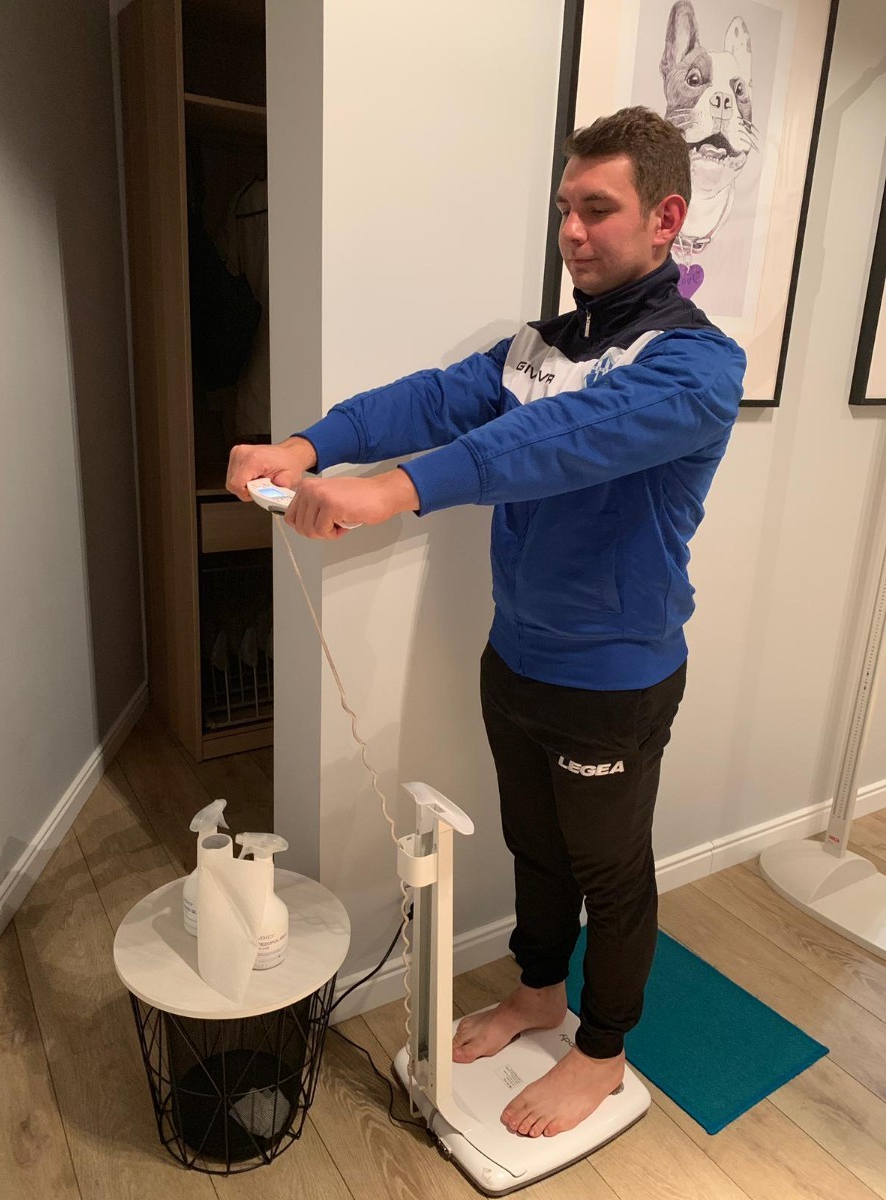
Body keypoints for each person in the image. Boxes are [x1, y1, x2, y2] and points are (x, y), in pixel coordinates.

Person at [227, 106, 746, 1140]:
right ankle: (540, 995)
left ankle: (603, 1051)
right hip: (516, 657)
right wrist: (306, 446)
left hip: (616, 678)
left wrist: (391, 492)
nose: (573, 232)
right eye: (564, 209)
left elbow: (561, 440)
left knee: (609, 870)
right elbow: (430, 401)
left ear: (665, 218)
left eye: (598, 209)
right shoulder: (537, 347)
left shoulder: (697, 367)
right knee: (534, 848)